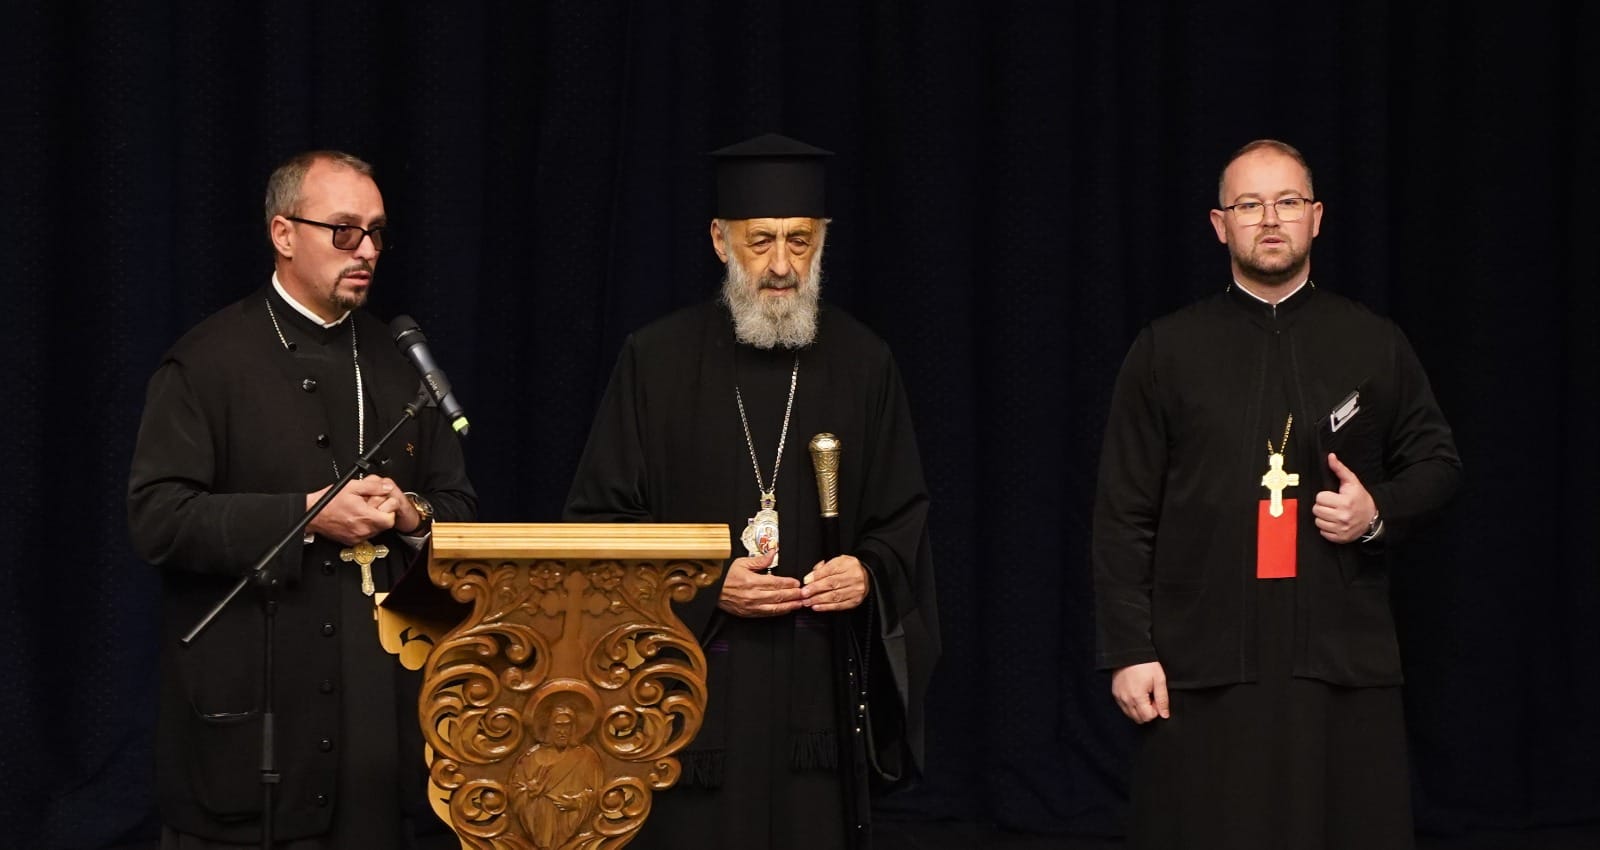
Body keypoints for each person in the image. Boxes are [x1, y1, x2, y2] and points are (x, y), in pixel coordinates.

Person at [564, 133, 940, 850]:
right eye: (760, 240)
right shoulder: (656, 360)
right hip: (687, 704)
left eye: (800, 241)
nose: (781, 265)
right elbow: (601, 522)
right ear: (720, 240)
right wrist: (706, 583)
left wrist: (866, 572)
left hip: (816, 711)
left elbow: (901, 518)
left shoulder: (864, 362)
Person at [1092, 139, 1462, 849]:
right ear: (1219, 224)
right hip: (1201, 661)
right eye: (1249, 204)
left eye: (1288, 201)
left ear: (1316, 218)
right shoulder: (1166, 349)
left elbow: (1439, 465)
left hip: (1339, 657)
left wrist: (1376, 513)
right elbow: (1123, 512)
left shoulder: (1372, 341)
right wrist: (1128, 649)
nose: (1269, 219)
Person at [128, 150, 476, 848]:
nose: (366, 250)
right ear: (283, 234)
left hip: (380, 720)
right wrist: (306, 515)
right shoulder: (206, 361)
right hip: (257, 714)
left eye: (376, 232)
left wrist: (411, 513)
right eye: (344, 230)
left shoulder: (401, 361)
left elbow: (462, 512)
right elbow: (156, 519)